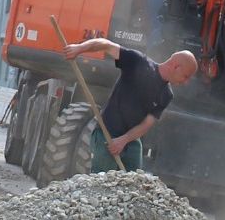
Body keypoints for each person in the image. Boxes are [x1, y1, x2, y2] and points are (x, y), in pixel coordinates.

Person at [59, 37, 199, 171]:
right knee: (102, 183)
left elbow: (147, 124)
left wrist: (124, 140)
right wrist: (79, 48)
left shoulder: (166, 95)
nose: (185, 82)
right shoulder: (138, 62)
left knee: (132, 185)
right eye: (186, 76)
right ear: (176, 66)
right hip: (107, 135)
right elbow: (106, 45)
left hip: (131, 141)